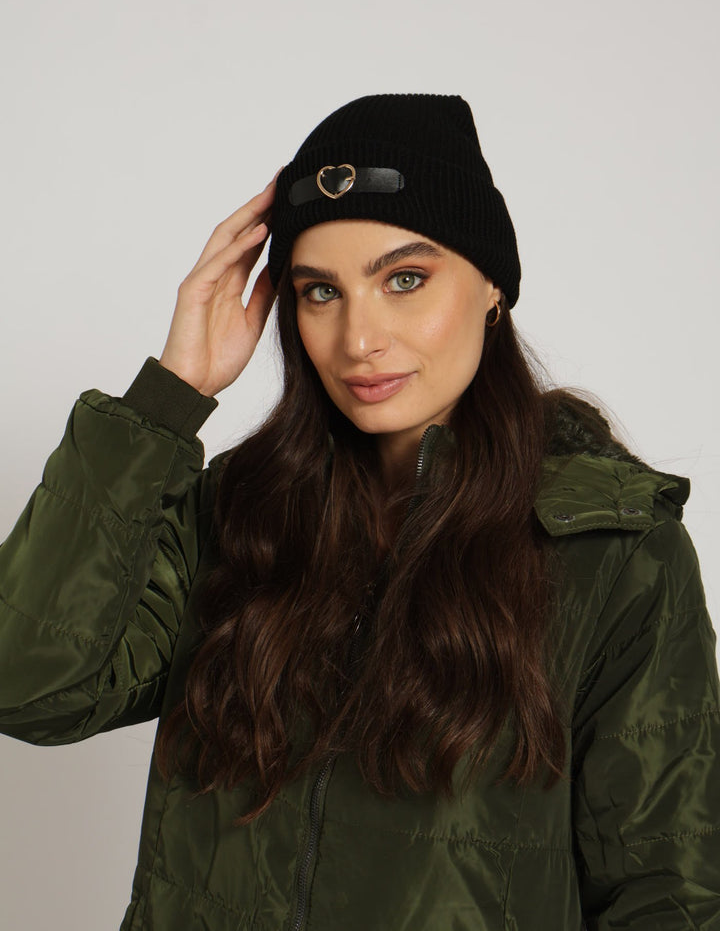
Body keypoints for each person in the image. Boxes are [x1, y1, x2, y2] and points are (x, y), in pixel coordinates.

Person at [1, 93, 719, 930]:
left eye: (404, 279)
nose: (358, 339)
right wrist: (170, 395)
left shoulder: (614, 552)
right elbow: (30, 687)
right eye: (320, 292)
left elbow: (671, 896)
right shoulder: (239, 512)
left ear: (492, 284)